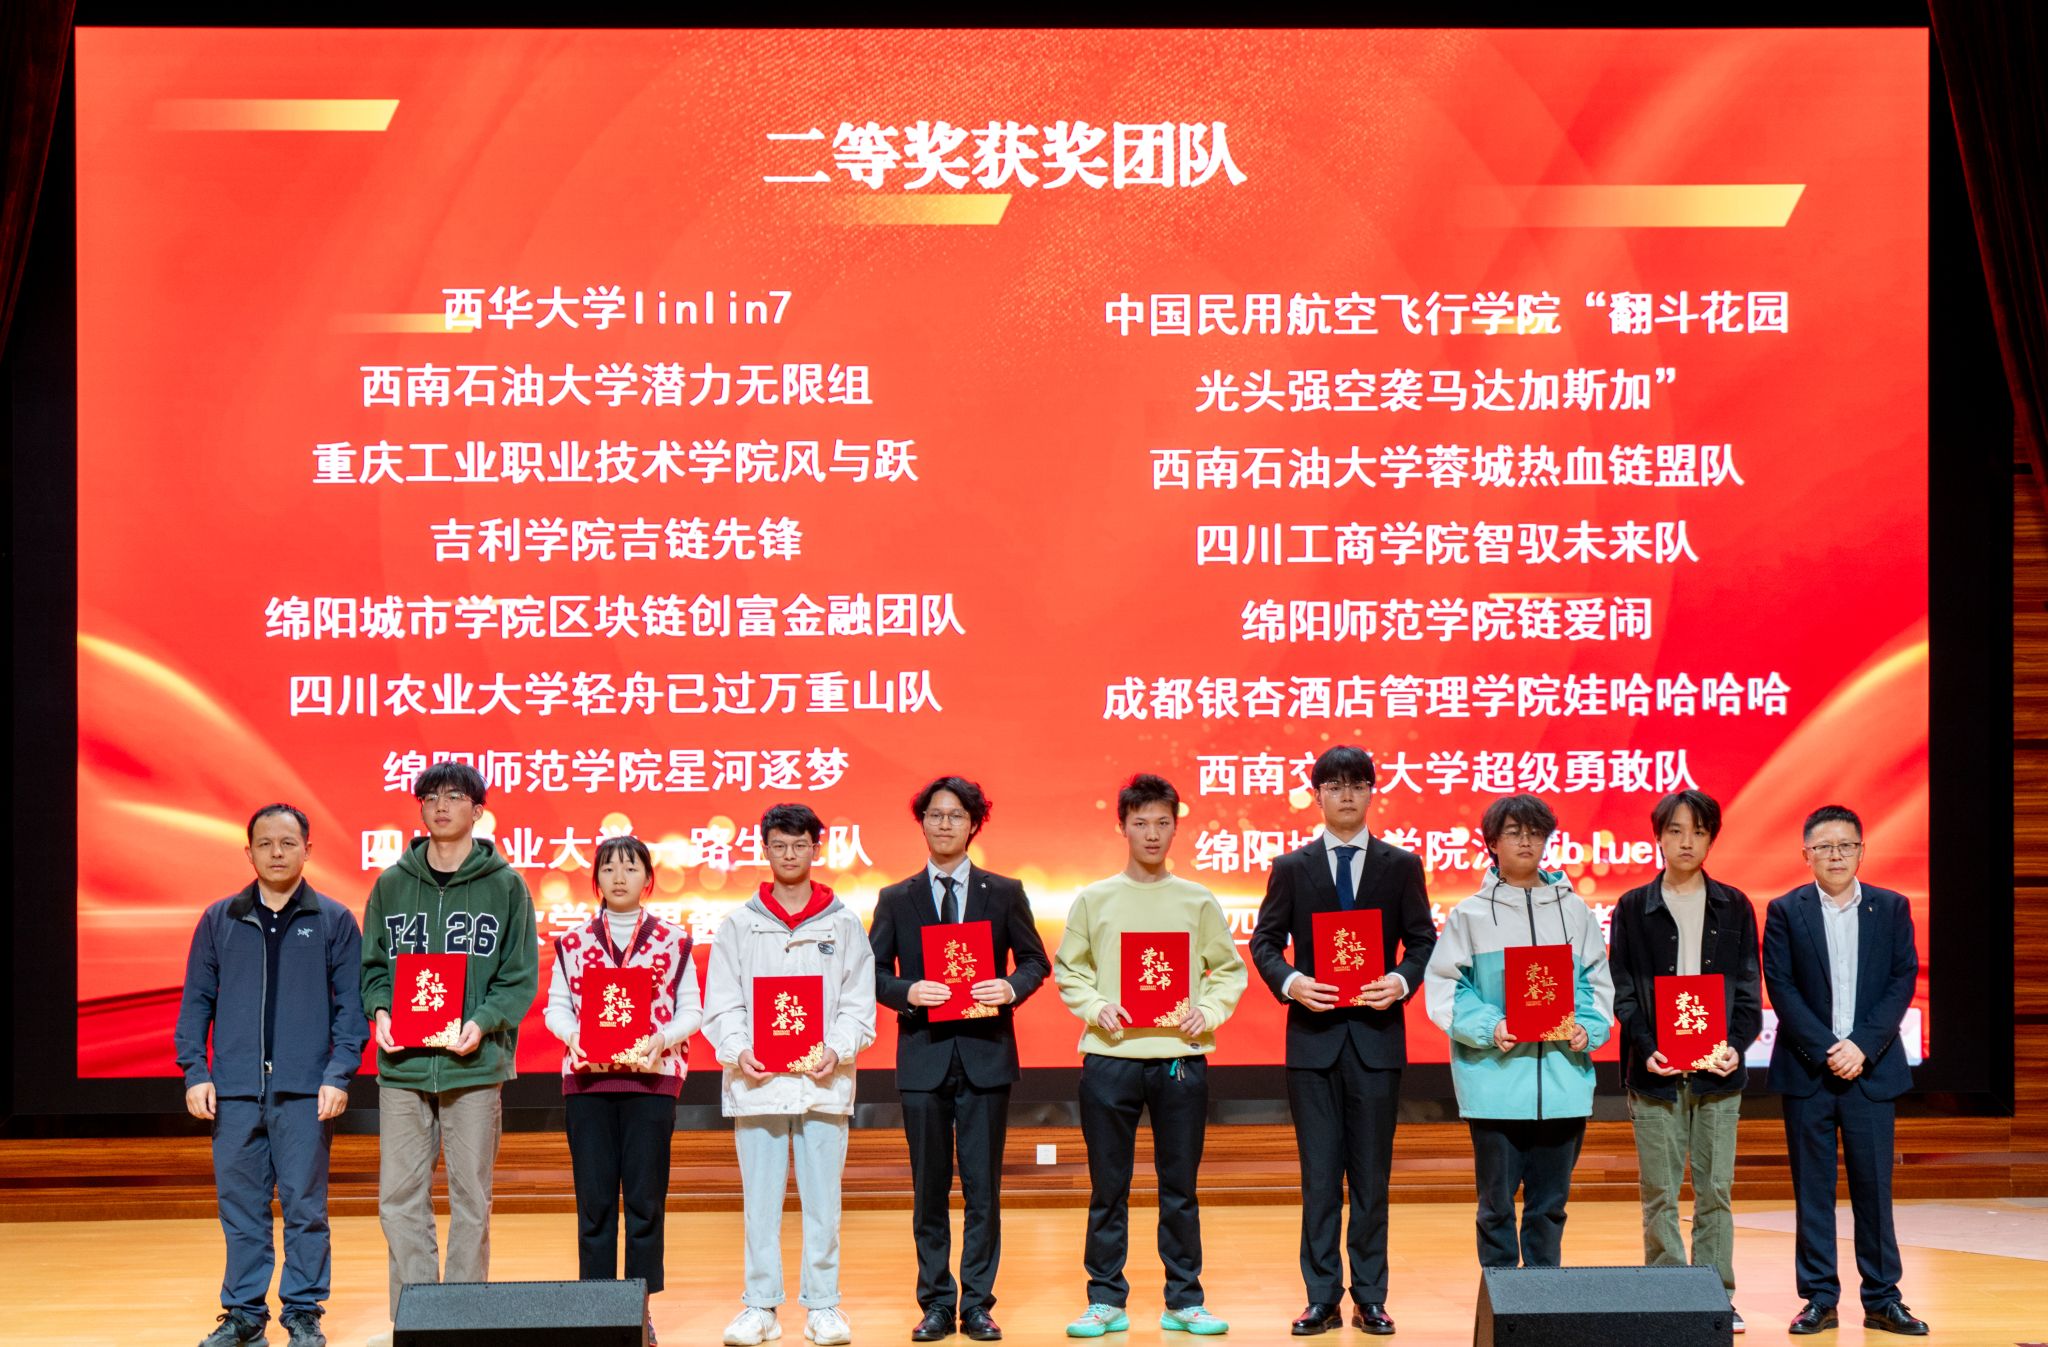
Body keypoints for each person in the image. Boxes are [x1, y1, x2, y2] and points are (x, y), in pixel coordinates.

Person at [1249, 746, 1435, 1337]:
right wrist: (1292, 982)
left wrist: (1400, 981)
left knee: (1372, 1179)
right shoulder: (1291, 867)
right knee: (1320, 1179)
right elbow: (1264, 942)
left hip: (1377, 1041)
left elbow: (1423, 941)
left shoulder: (1401, 865)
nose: (1346, 795)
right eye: (1334, 785)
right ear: (1318, 795)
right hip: (1313, 1042)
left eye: (1357, 784)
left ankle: (1371, 1297)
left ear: (1372, 792)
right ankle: (1322, 1297)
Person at [1054, 773, 1248, 1339]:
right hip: (1109, 1058)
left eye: (1163, 822)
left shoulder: (1197, 899)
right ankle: (1104, 1299)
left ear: (1175, 828)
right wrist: (1096, 1006)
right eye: (1140, 822)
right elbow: (1069, 969)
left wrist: (1207, 1012)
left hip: (1179, 1059)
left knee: (1179, 1188)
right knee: (1107, 1187)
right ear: (1123, 827)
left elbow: (1228, 970)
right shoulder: (1094, 899)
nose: (1152, 833)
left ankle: (1184, 1300)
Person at [359, 761, 539, 1346]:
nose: (440, 805)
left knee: (471, 1200)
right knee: (399, 1199)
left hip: (474, 1066)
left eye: (455, 796)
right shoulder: (391, 884)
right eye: (430, 796)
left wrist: (482, 1023)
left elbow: (518, 976)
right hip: (403, 1068)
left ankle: (461, 1322)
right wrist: (380, 1012)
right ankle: (416, 1319)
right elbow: (374, 968)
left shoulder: (506, 885)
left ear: (478, 811)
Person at [175, 803, 367, 1347]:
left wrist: (338, 1074)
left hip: (305, 1092)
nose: (276, 852)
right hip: (234, 1091)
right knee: (241, 1210)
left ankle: (303, 1311)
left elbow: (351, 1009)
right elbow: (196, 1001)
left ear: (308, 850)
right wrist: (195, 1071)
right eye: (265, 843)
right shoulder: (220, 919)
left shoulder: (333, 920)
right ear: (249, 852)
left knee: (305, 1209)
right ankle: (244, 1313)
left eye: (288, 843)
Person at [870, 776, 1052, 1342]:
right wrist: (907, 991)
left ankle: (976, 1304)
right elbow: (871, 973)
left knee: (982, 1189)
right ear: (921, 822)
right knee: (929, 1189)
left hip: (985, 1055)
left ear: (974, 824)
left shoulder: (1005, 891)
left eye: (955, 815)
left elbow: (1035, 961)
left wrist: (1011, 987)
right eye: (934, 814)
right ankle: (934, 1302)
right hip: (923, 1057)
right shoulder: (896, 898)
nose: (944, 823)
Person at [703, 802, 878, 1347]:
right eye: (778, 845)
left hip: (823, 1082)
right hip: (757, 1084)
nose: (789, 854)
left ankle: (823, 1306)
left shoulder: (844, 923)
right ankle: (760, 1307)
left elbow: (859, 1003)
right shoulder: (739, 924)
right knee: (760, 1205)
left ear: (815, 849)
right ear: (765, 849)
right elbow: (722, 1003)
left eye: (799, 845)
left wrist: (837, 1048)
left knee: (824, 1204)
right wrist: (738, 1049)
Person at [1423, 793, 1613, 1271]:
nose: (1526, 841)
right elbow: (1446, 987)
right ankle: (1502, 1302)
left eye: (1535, 833)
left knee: (1550, 1208)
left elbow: (1596, 982)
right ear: (1492, 842)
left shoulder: (1575, 912)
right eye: (1514, 832)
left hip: (1563, 1085)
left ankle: (1545, 1300)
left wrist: (1587, 1028)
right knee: (1496, 1209)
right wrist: (1492, 1026)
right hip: (1494, 1086)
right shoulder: (1469, 915)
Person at [1764, 805, 1927, 1336]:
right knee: (1813, 1191)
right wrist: (1828, 1049)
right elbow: (1781, 986)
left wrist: (1860, 1046)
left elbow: (1902, 980)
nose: (1836, 855)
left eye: (1846, 845)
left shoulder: (1891, 906)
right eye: (1824, 846)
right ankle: (1819, 1298)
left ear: (1861, 851)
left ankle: (1882, 1299)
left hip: (1871, 1072)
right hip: (1808, 1072)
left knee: (1874, 1190)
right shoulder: (1786, 910)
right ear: (1805, 854)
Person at [1609, 790, 1761, 1334]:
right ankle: (1668, 1294)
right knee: (1660, 1193)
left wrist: (1736, 1045)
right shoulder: (1633, 907)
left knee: (1715, 1191)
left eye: (1698, 831)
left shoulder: (1734, 905)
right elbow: (1624, 990)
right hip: (1655, 1074)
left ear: (1711, 838)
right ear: (1658, 836)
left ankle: (1716, 1296)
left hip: (1718, 1074)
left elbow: (1748, 990)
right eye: (1675, 830)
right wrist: (1647, 1044)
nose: (1686, 841)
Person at [543, 834, 703, 1346]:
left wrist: (662, 1039)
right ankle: (596, 1310)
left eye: (631, 868)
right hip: (587, 1084)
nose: (619, 877)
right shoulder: (572, 942)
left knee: (644, 1200)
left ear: (648, 879)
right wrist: (576, 1037)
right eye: (609, 868)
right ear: (595, 879)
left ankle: (638, 1310)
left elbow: (692, 1010)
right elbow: (555, 1008)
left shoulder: (674, 942)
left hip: (651, 1083)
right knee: (593, 1202)